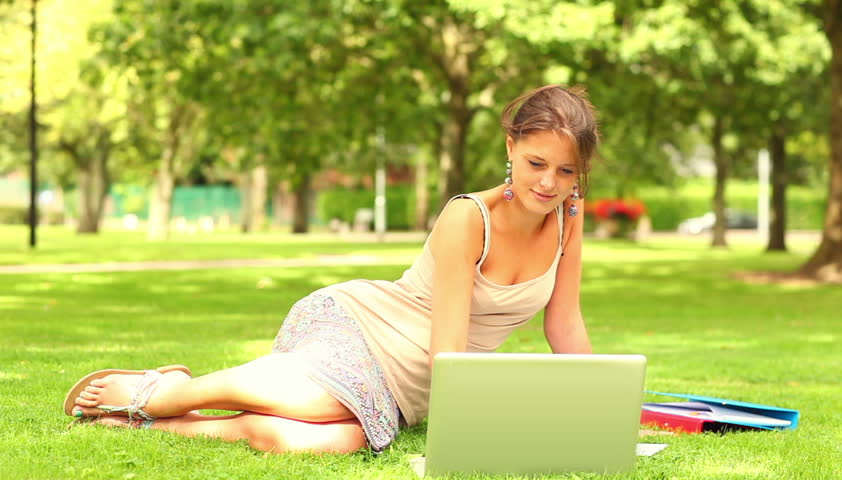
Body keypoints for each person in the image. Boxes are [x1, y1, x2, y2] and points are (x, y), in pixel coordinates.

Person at [64, 84, 599, 454]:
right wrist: (475, 425)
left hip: (413, 386)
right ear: (510, 147)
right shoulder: (469, 217)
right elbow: (449, 350)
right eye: (536, 163)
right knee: (320, 402)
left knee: (336, 440)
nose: (548, 183)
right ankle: (164, 394)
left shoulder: (568, 218)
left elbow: (564, 324)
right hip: (367, 329)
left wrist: (597, 408)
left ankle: (169, 426)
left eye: (565, 171)